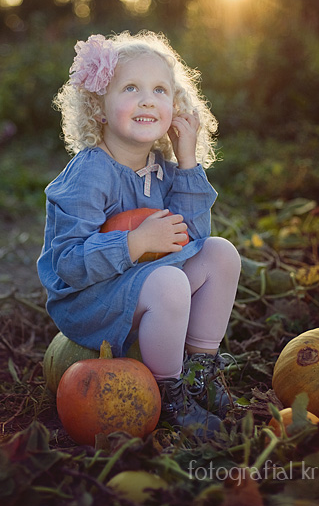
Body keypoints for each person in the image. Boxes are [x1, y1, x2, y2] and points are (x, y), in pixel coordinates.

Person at [37, 31, 241, 436]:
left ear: (175, 107)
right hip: (90, 302)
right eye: (131, 87)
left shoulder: (163, 170)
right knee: (167, 280)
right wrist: (135, 243)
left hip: (142, 289)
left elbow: (193, 239)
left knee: (220, 253)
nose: (148, 99)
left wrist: (185, 162)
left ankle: (199, 373)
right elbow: (68, 266)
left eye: (160, 90)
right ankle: (167, 396)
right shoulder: (90, 172)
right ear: (98, 107)